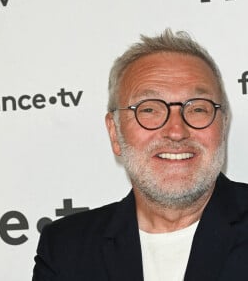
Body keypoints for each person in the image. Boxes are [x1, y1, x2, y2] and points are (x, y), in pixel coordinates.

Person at [32, 29, 248, 281]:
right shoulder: (66, 247)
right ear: (115, 132)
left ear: (222, 125)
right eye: (149, 110)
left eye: (198, 108)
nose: (176, 131)